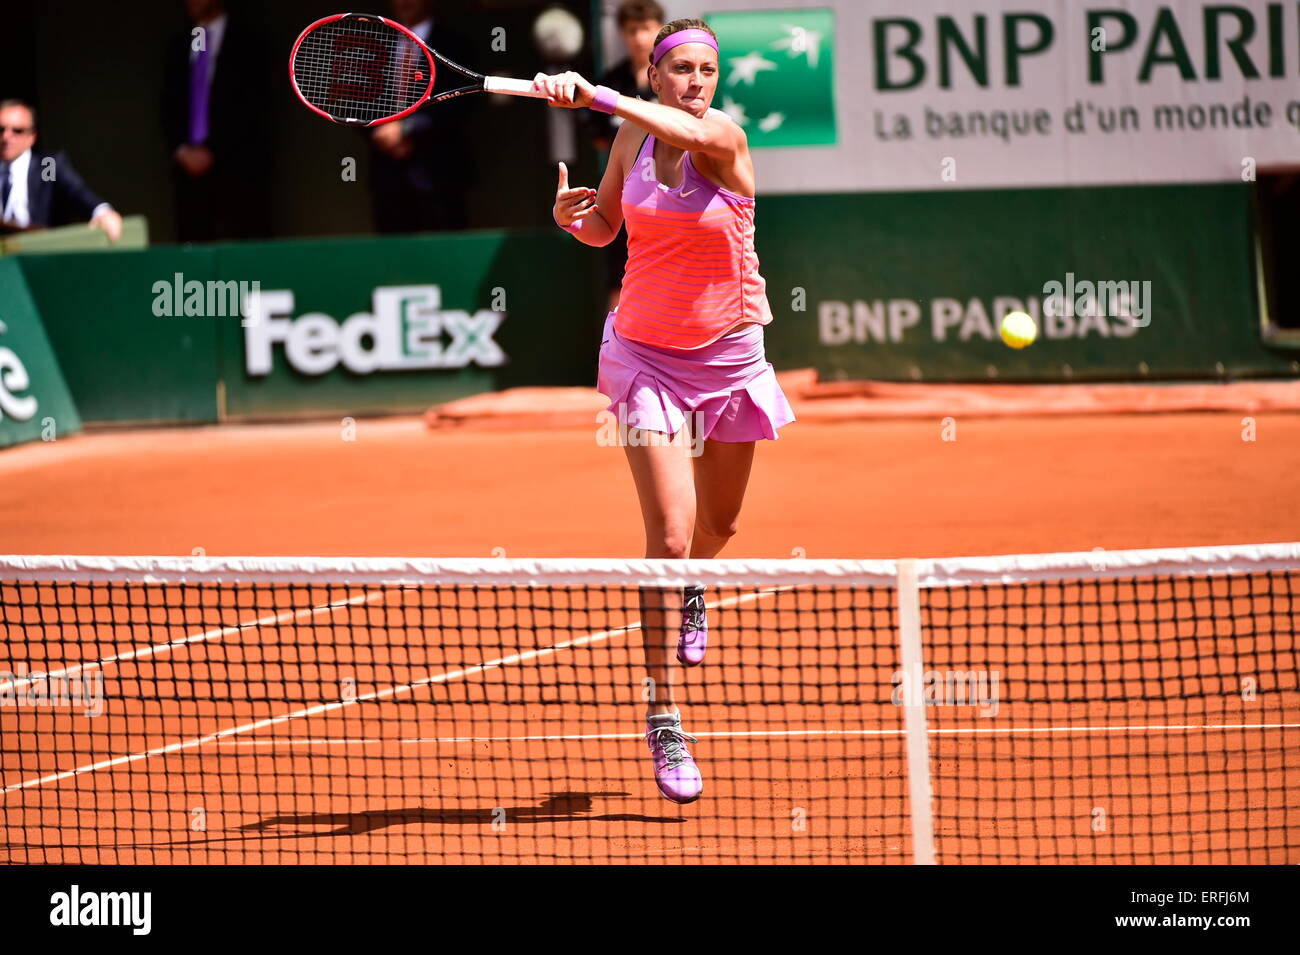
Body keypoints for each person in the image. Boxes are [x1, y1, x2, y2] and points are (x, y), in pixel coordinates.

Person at [534, 18, 796, 805]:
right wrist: (573, 222)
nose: (695, 82)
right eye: (679, 69)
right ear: (656, 73)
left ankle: (691, 585)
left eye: (705, 70)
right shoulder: (629, 143)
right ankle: (663, 711)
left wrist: (597, 96)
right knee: (671, 535)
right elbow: (608, 226)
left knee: (720, 528)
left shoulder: (723, 138)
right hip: (644, 356)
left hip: (730, 360)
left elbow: (687, 127)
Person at [162, 0, 272, 241]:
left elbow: (255, 111)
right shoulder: (178, 46)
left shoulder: (249, 44)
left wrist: (216, 152)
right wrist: (183, 151)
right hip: (189, 177)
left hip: (240, 175)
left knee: (244, 261)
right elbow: (168, 107)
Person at [582, 1, 664, 311]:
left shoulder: (674, 80)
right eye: (632, 31)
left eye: (646, 29)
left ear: (659, 30)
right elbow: (601, 138)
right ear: (622, 34)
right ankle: (619, 349)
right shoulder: (610, 83)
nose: (640, 38)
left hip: (671, 197)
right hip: (625, 196)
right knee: (620, 276)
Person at [367, 0, 474, 233]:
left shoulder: (455, 45)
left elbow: (460, 106)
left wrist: (406, 129)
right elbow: (357, 99)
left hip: (441, 173)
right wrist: (382, 133)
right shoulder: (373, 47)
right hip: (387, 175)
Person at [0, 99, 122, 240]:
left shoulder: (47, 165)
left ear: (31, 137)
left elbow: (75, 191)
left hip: (42, 250)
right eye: (1, 129)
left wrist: (102, 211)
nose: (6, 137)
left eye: (17, 130)